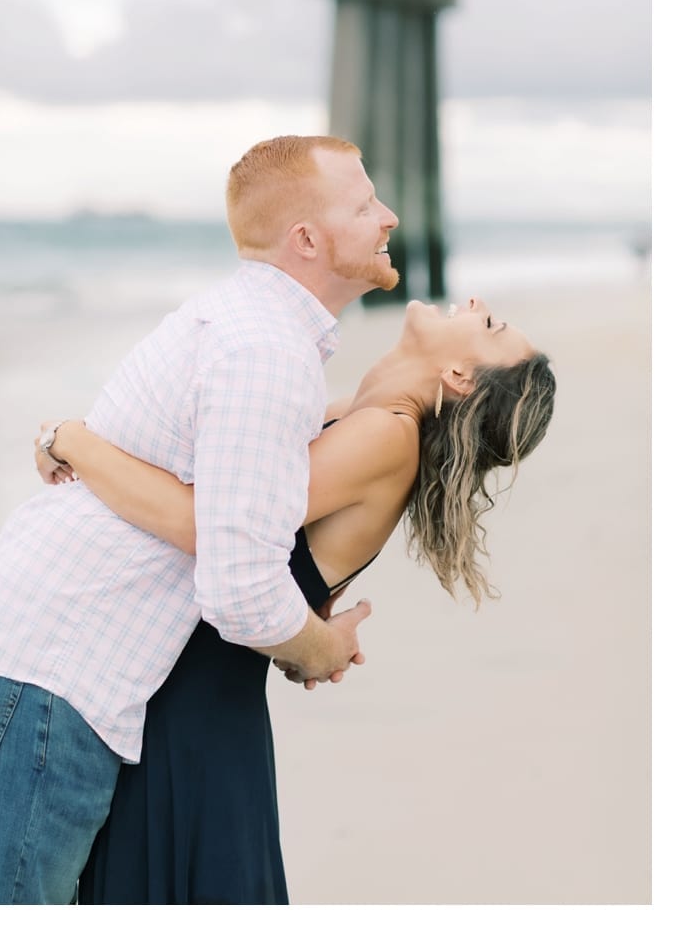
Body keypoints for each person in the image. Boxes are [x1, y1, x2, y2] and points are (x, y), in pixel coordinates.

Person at [0, 134, 398, 904]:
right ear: (307, 238)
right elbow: (238, 584)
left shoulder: (241, 326)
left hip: (26, 664)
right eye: (364, 205)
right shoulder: (266, 350)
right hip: (48, 688)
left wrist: (66, 438)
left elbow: (229, 480)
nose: (388, 216)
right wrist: (320, 644)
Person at [36, 295, 556, 903]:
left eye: (488, 324)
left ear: (460, 378)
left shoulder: (386, 435)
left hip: (188, 726)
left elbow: (204, 517)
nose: (474, 304)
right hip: (183, 707)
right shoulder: (363, 416)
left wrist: (69, 438)